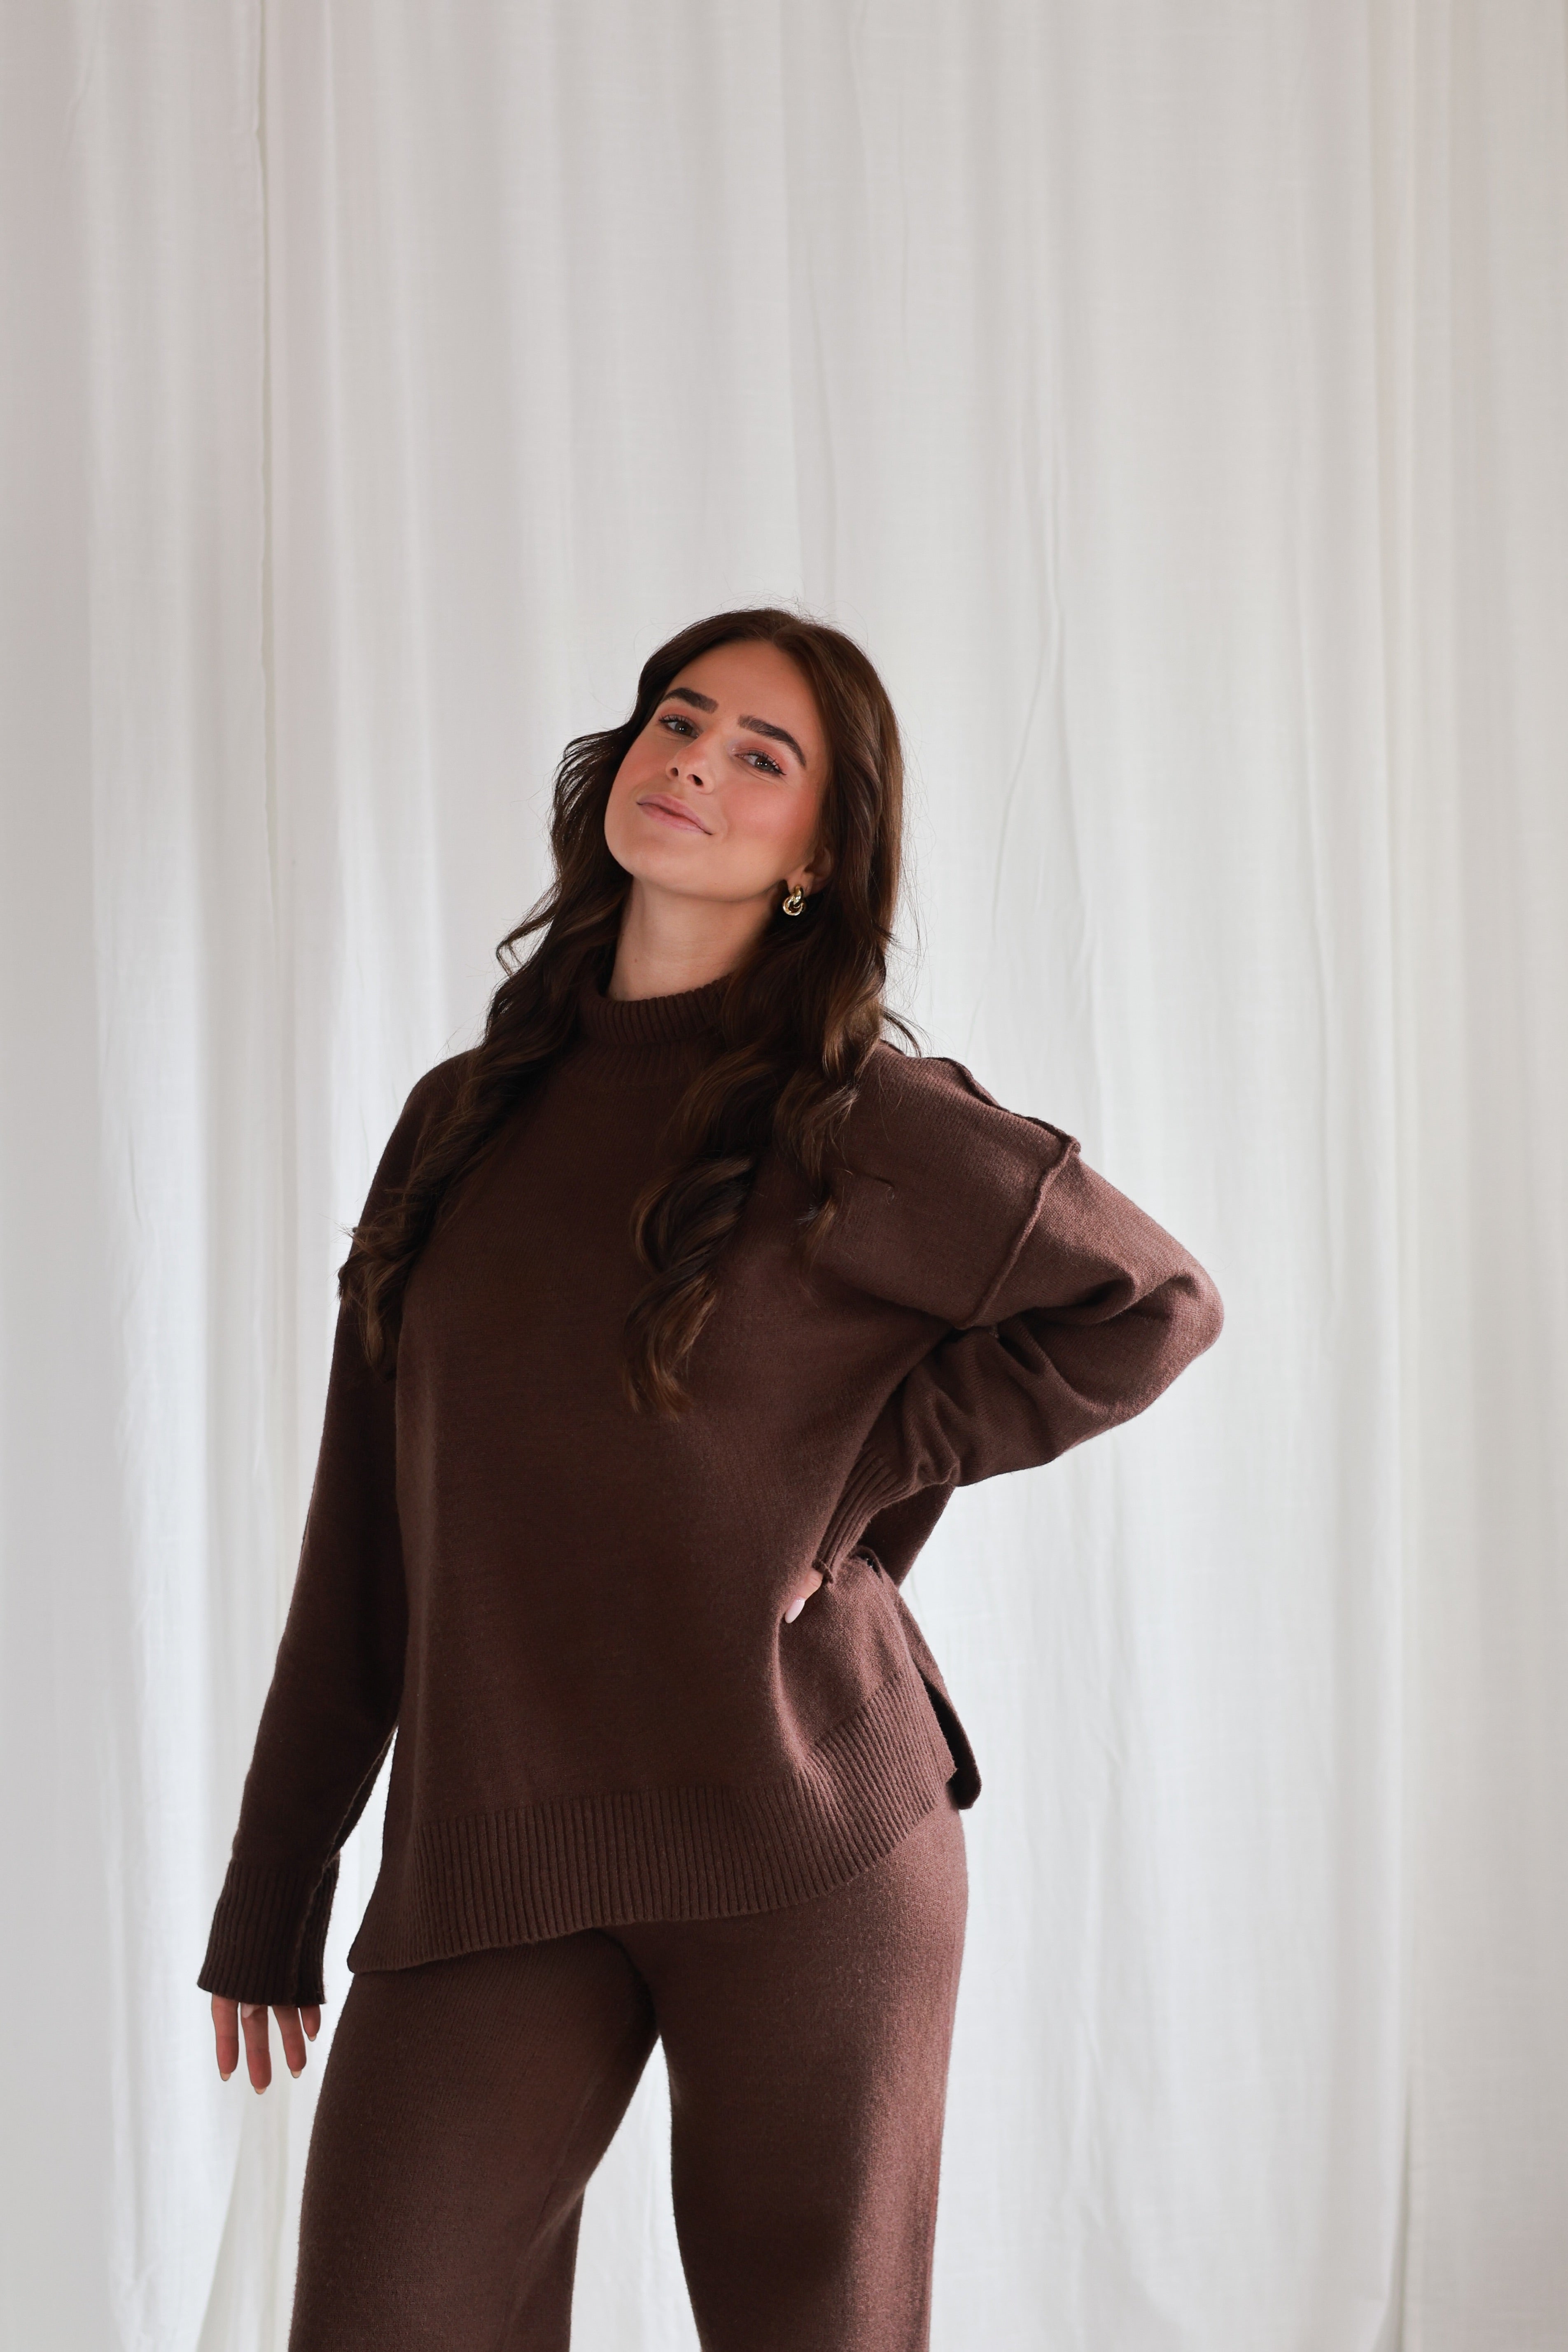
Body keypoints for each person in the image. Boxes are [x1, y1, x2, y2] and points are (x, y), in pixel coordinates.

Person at [198, 606, 1223, 2351]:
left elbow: (1152, 1302)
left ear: (819, 853)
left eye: (763, 755)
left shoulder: (863, 1120)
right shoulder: (461, 1118)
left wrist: (876, 1464)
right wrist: (277, 1874)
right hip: (499, 1851)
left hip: (805, 1832)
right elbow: (366, 1529)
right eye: (679, 720)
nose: (695, 763)